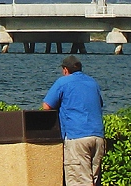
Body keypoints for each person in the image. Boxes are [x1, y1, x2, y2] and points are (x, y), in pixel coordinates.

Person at [42, 55, 105, 186]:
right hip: (98, 138)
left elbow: (46, 107)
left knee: (79, 181)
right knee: (93, 181)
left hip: (77, 137)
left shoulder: (63, 82)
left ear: (65, 70)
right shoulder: (92, 82)